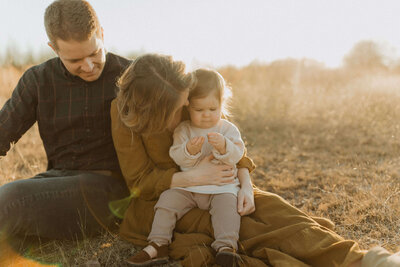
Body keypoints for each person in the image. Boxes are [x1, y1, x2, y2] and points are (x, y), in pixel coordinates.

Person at [111, 53, 400, 267]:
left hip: (221, 184)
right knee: (248, 229)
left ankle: (367, 261)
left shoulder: (183, 93)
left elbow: (233, 146)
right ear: (152, 110)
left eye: (185, 104)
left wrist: (246, 184)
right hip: (167, 199)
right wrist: (190, 178)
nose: (184, 113)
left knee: (269, 206)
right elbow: (138, 182)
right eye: (175, 111)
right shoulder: (124, 116)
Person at [0, 0, 130, 250]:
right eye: (75, 60)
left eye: (94, 53)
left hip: (111, 193)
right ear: (53, 48)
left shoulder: (131, 77)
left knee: (9, 200)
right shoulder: (38, 80)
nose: (89, 66)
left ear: (102, 34)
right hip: (56, 184)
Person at [127, 68, 246, 267]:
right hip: (188, 188)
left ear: (221, 104)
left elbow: (238, 155)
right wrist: (189, 151)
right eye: (199, 110)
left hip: (221, 188)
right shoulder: (184, 129)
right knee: (167, 200)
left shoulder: (227, 129)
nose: (206, 115)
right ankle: (158, 244)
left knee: (228, 209)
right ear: (187, 106)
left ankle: (226, 248)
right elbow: (177, 157)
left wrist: (225, 146)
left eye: (213, 109)